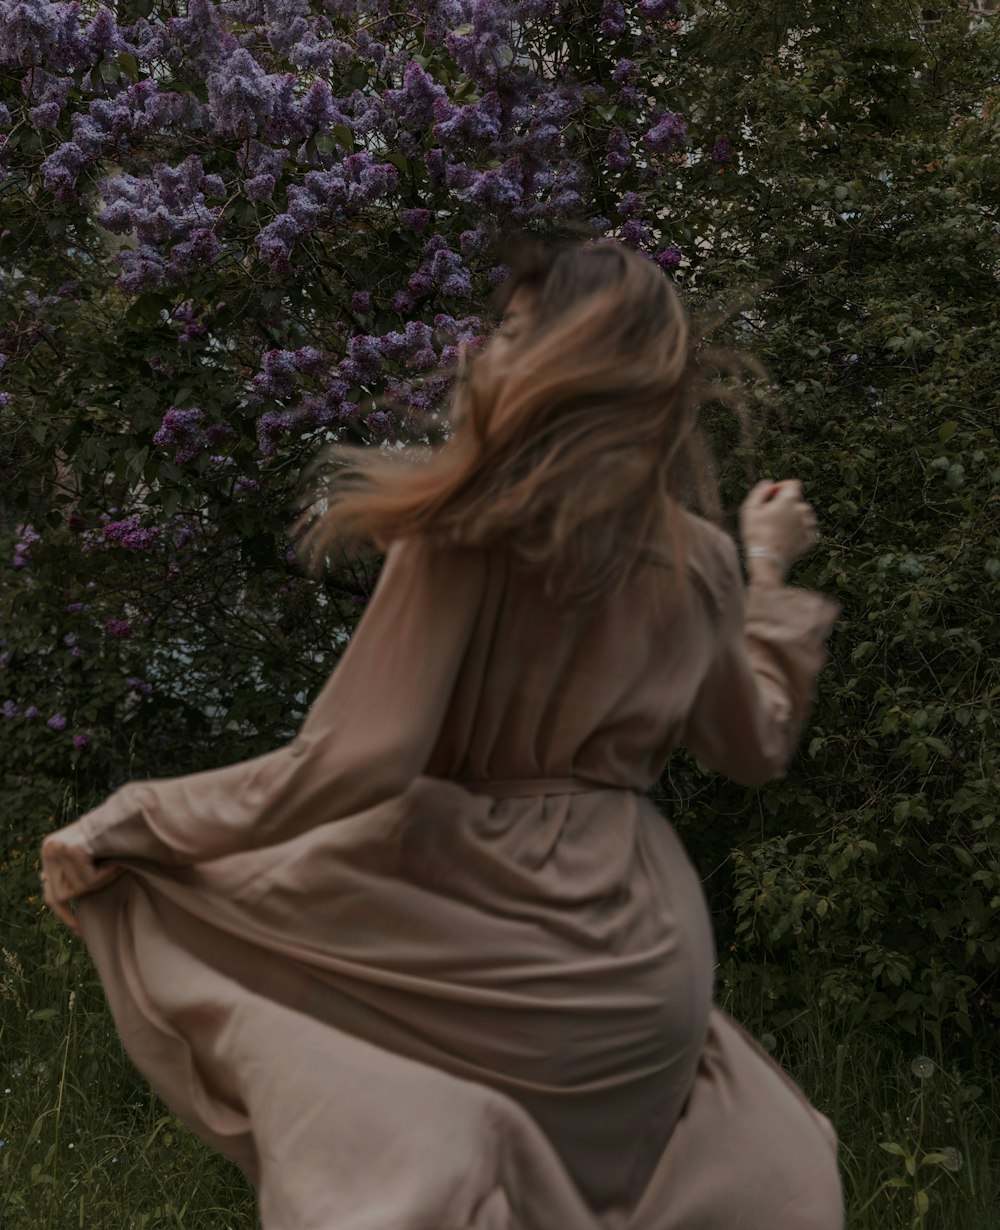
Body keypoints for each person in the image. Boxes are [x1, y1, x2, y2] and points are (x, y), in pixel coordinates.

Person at [40, 235, 843, 1229]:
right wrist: (765, 575)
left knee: (405, 1154)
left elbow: (358, 759)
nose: (479, 350)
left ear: (562, 359)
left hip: (479, 929)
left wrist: (132, 824)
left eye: (508, 330)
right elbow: (753, 746)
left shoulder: (470, 526)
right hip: (641, 966)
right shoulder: (703, 566)